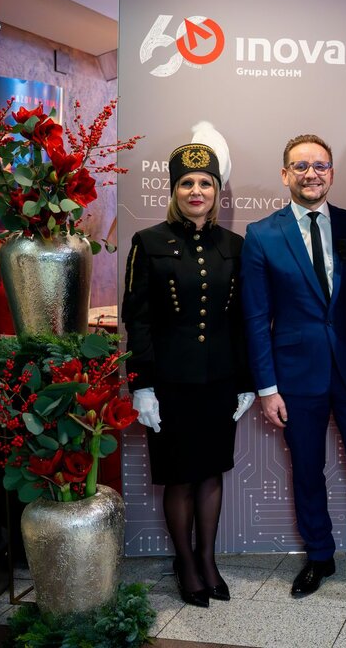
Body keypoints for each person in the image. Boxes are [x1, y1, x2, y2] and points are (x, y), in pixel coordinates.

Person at [240, 134, 346, 599]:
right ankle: (319, 556)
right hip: (294, 376)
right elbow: (255, 317)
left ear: (331, 173)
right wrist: (267, 387)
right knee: (307, 469)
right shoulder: (262, 234)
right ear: (285, 174)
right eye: (301, 166)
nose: (311, 174)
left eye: (320, 166)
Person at [124, 137, 255, 608]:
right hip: (170, 384)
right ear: (173, 190)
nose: (196, 191)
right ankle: (186, 562)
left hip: (219, 381)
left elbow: (241, 321)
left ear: (217, 190)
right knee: (180, 477)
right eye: (186, 183)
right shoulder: (148, 242)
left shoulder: (234, 246)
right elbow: (137, 319)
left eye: (205, 183)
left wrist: (246, 382)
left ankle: (207, 560)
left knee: (211, 473)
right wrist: (141, 385)